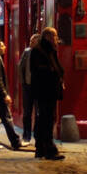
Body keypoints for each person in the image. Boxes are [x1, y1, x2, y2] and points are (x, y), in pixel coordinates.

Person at [29, 28, 65, 160]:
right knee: (46, 120)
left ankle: (42, 148)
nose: (57, 39)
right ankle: (48, 149)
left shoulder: (49, 50)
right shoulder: (39, 51)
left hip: (48, 91)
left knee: (45, 119)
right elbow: (39, 71)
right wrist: (55, 75)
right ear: (49, 37)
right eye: (55, 36)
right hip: (44, 91)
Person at [19, 33, 39, 144]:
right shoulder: (27, 52)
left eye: (32, 41)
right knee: (27, 112)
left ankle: (37, 136)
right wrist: (23, 83)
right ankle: (26, 136)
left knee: (38, 113)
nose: (30, 43)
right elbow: (20, 66)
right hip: (28, 86)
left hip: (38, 87)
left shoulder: (42, 53)